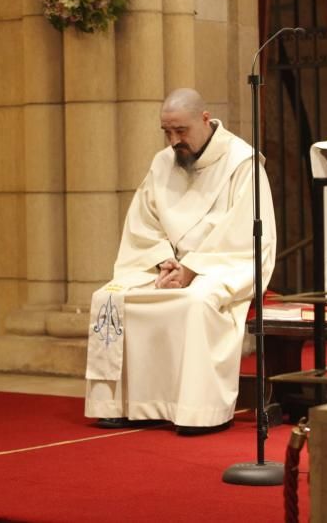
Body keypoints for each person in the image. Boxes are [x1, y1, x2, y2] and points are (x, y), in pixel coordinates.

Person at [84, 88, 276, 434]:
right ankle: (132, 406)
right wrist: (163, 263)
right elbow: (143, 223)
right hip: (168, 266)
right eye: (167, 132)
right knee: (111, 298)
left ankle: (197, 410)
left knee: (195, 303)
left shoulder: (241, 164)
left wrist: (191, 269)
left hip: (217, 267)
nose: (174, 141)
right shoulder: (162, 163)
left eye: (181, 131)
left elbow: (241, 235)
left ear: (205, 119)